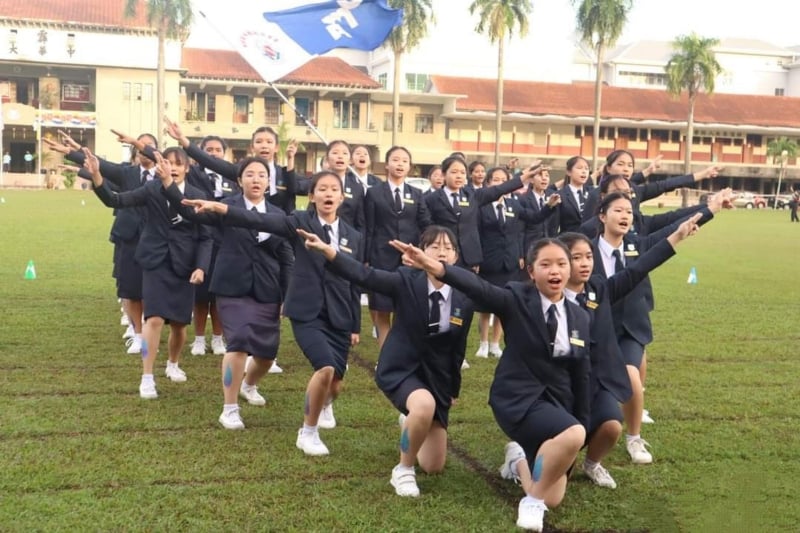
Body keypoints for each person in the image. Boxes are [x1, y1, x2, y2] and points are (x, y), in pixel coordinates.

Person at [392, 237, 591, 532]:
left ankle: (517, 460)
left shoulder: (580, 316)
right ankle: (530, 503)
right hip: (519, 399)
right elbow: (479, 288)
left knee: (555, 495)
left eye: (562, 263)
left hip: (557, 406)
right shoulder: (516, 299)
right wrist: (436, 267)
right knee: (570, 437)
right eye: (545, 264)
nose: (555, 271)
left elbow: (581, 373)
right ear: (531, 271)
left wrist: (584, 423)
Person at [182, 171, 362, 456]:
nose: (328, 194)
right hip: (307, 312)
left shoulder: (354, 236)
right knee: (325, 368)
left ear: (342, 197)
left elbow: (354, 282)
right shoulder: (300, 222)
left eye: (334, 189)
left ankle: (323, 405)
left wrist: (355, 325)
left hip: (339, 316)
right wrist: (222, 208)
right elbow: (260, 219)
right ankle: (307, 432)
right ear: (312, 196)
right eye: (322, 189)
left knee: (335, 383)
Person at [299, 225, 473, 497]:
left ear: (456, 257)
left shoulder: (464, 294)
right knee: (423, 404)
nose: (441, 252)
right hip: (403, 368)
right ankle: (403, 471)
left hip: (436, 376)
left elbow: (457, 347)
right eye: (434, 247)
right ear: (420, 254)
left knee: (433, 465)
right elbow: (364, 275)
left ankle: (412, 421)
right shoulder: (405, 280)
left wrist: (453, 389)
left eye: (448, 248)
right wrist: (328, 251)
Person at [557, 218, 701, 488]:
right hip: (558, 386)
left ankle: (593, 464)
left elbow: (638, 268)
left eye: (589, 256)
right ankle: (520, 454)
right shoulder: (547, 295)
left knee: (612, 425)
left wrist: (678, 236)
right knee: (555, 483)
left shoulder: (598, 290)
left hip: (593, 383)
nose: (586, 263)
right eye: (577, 258)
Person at [592, 190, 726, 464]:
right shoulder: (585, 251)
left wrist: (709, 211)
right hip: (596, 328)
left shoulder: (636, 244)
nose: (625, 216)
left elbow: (670, 233)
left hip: (630, 327)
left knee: (631, 376)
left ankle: (634, 437)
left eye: (629, 212)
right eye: (618, 210)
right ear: (602, 216)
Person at [164, 157, 293, 429]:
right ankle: (230, 407)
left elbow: (286, 257)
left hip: (267, 289)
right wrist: (168, 184)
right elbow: (191, 214)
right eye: (250, 174)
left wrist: (287, 294)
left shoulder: (279, 215)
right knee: (239, 343)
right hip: (232, 287)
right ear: (239, 180)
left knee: (267, 355)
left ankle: (249, 385)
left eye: (261, 175)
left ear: (269, 182)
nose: (256, 179)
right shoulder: (225, 206)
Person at [85, 147, 212, 399]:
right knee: (152, 319)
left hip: (184, 267)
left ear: (187, 168)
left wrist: (201, 267)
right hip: (154, 262)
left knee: (178, 324)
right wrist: (97, 177)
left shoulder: (199, 196)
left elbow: (206, 237)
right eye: (167, 162)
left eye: (178, 163)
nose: (172, 167)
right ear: (158, 165)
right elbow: (115, 200)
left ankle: (173, 363)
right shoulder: (152, 189)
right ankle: (147, 376)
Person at [46, 131, 159, 355]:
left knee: (152, 288)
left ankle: (149, 328)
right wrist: (73, 152)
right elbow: (102, 166)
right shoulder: (127, 173)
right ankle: (138, 334)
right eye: (141, 146)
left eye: (149, 146)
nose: (144, 150)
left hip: (157, 238)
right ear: (136, 152)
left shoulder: (166, 173)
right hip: (129, 236)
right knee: (130, 288)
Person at [475, 166, 559, 358]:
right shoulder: (481, 206)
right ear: (488, 183)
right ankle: (483, 343)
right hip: (489, 261)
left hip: (509, 261)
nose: (500, 183)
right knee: (485, 305)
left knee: (504, 304)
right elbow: (476, 234)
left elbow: (533, 218)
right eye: (495, 180)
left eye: (503, 179)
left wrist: (549, 206)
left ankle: (496, 343)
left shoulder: (514, 204)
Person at [364, 146, 431, 348]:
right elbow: (369, 227)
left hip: (409, 261)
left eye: (404, 160)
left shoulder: (417, 194)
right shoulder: (374, 193)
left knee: (405, 308)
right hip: (381, 258)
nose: (400, 164)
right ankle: (385, 357)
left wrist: (422, 252)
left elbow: (425, 224)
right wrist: (367, 257)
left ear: (409, 167)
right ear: (387, 165)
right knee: (382, 310)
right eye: (395, 160)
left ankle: (401, 354)